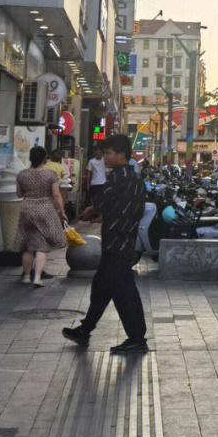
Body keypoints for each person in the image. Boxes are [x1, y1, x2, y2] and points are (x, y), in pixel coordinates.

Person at [62, 134, 148, 355]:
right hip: (123, 242)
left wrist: (91, 210)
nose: (105, 157)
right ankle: (85, 330)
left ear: (121, 155)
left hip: (116, 244)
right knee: (103, 288)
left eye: (108, 153)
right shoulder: (136, 179)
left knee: (124, 293)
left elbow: (102, 202)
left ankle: (137, 339)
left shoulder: (119, 177)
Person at [13, 145, 67, 286]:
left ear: (31, 158)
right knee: (41, 246)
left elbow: (19, 194)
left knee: (27, 246)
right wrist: (62, 212)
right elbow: (56, 195)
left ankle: (26, 277)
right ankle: (37, 277)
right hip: (44, 208)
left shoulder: (22, 174)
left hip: (27, 209)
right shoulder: (50, 174)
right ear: (44, 159)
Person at [86, 146, 108, 213]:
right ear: (95, 153)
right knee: (94, 199)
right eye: (98, 152)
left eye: (100, 152)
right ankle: (94, 213)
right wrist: (87, 184)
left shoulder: (104, 160)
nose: (99, 154)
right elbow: (88, 173)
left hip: (103, 182)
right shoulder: (91, 161)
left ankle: (100, 213)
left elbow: (107, 172)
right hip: (94, 183)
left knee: (102, 199)